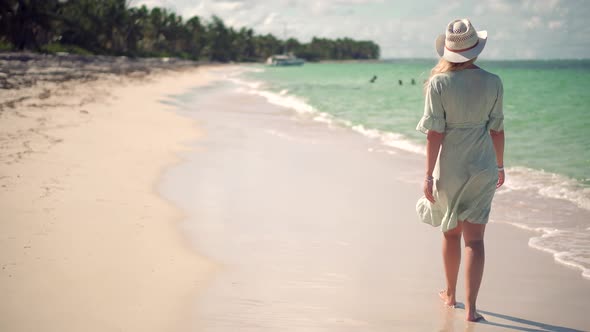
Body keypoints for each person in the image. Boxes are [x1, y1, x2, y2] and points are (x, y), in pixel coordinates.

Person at [415, 18, 505, 323]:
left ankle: (451, 296)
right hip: (483, 166)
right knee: (476, 241)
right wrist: (500, 165)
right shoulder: (493, 81)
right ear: (476, 50)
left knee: (450, 233)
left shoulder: (439, 84)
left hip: (450, 168)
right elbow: (497, 130)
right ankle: (472, 309)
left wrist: (428, 175)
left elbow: (434, 134)